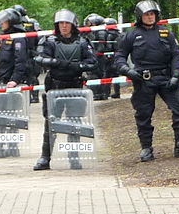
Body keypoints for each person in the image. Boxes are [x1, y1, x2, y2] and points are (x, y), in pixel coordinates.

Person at [113, 0, 179, 162]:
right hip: (143, 80)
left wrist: (176, 75)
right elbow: (119, 57)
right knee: (143, 114)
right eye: (146, 14)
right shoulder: (131, 34)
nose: (149, 17)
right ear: (140, 16)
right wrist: (128, 71)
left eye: (152, 14)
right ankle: (146, 148)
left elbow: (177, 54)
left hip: (166, 78)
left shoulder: (165, 32)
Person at [32, 9, 97, 170]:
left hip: (75, 85)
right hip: (55, 85)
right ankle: (45, 157)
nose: (64, 26)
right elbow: (39, 58)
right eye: (61, 23)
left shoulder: (82, 42)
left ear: (73, 24)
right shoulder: (50, 41)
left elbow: (93, 62)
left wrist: (77, 66)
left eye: (66, 23)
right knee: (50, 122)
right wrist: (56, 63)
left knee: (75, 121)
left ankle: (74, 156)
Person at [0, 7, 28, 159]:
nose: (1, 24)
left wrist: (15, 80)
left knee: (12, 115)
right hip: (2, 81)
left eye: (4, 21)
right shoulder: (4, 37)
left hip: (11, 83)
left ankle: (13, 147)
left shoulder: (18, 37)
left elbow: (20, 61)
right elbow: (0, 60)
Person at [83, 13, 108, 100]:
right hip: (97, 56)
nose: (88, 24)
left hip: (98, 56)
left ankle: (98, 94)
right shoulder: (95, 31)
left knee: (95, 74)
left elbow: (100, 46)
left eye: (89, 22)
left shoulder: (100, 31)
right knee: (96, 74)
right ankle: (100, 94)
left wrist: (94, 55)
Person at [103, 18, 122, 99]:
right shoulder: (118, 34)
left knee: (107, 75)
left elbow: (108, 47)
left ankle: (107, 93)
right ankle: (117, 92)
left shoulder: (109, 35)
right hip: (117, 57)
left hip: (110, 57)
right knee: (116, 75)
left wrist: (107, 56)